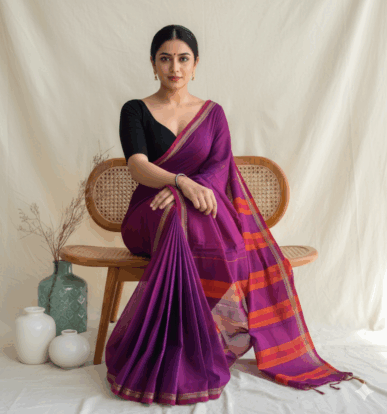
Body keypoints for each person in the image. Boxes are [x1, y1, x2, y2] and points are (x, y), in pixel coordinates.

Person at [105, 24, 364, 406]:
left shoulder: (212, 115)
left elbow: (218, 168)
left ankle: (212, 336)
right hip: (149, 212)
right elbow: (138, 167)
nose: (174, 67)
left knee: (188, 219)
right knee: (178, 216)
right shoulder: (136, 110)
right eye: (165, 59)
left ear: (196, 65)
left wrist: (185, 193)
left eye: (183, 59)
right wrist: (179, 183)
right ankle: (201, 339)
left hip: (194, 209)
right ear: (153, 63)